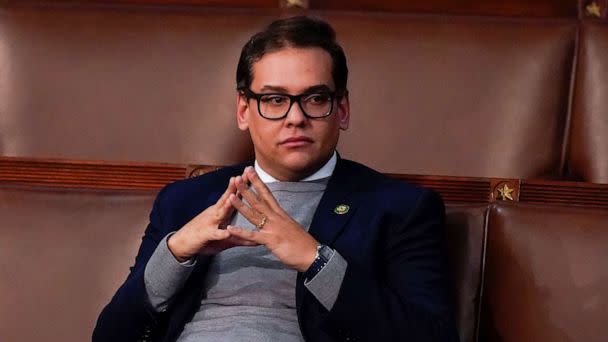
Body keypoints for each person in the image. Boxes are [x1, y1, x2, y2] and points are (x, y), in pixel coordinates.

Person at [93, 16, 459, 342]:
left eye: (315, 98)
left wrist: (316, 260)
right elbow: (110, 336)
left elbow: (432, 335)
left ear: (342, 110)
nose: (295, 117)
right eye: (274, 100)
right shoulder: (184, 201)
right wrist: (173, 255)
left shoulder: (400, 208)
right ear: (243, 110)